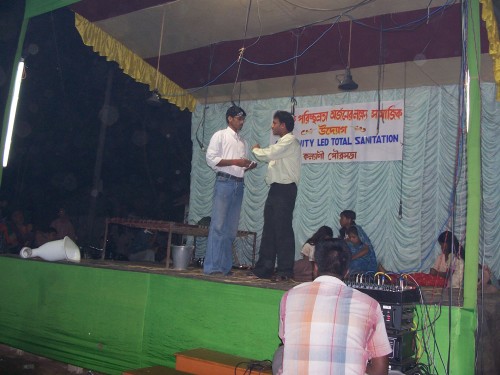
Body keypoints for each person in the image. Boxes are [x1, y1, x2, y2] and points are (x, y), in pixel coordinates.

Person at [274, 238, 391, 375]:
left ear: (315, 267)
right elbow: (380, 369)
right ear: (347, 271)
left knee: (281, 352)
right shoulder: (370, 305)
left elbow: (286, 341)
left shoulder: (289, 297)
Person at [203, 105, 256, 276]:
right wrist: (236, 162)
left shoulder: (243, 142)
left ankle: (225, 268)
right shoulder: (220, 135)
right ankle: (211, 267)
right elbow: (211, 160)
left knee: (230, 230)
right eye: (239, 119)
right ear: (230, 118)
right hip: (224, 183)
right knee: (218, 226)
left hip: (239, 184)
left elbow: (239, 166)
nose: (242, 122)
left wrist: (247, 166)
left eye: (243, 119)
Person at [250, 110, 301, 281]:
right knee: (269, 229)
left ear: (283, 125)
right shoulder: (281, 144)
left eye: (274, 123)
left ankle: (285, 270)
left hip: (285, 190)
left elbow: (268, 154)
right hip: (275, 190)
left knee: (283, 230)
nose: (272, 126)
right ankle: (264, 268)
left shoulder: (290, 141)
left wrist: (256, 150)